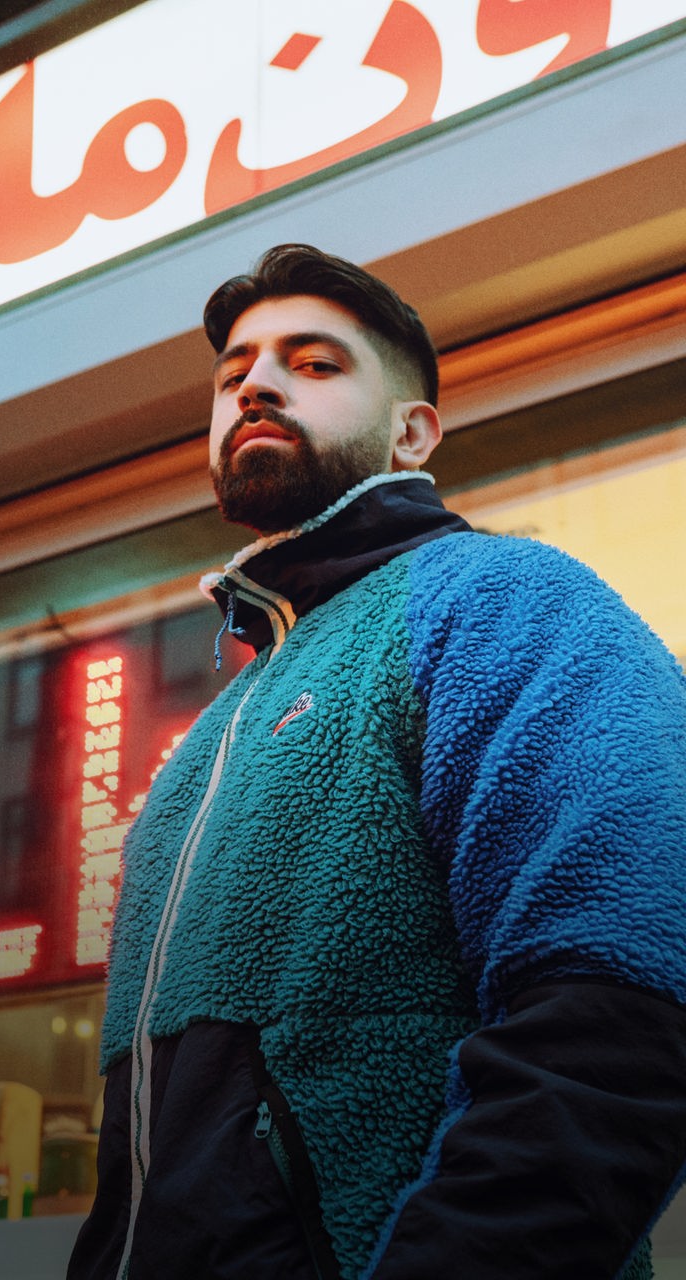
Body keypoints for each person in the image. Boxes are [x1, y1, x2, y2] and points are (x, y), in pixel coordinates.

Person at [68, 245, 686, 1279]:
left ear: (412, 432)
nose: (254, 383)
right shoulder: (195, 755)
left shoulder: (499, 601)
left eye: (312, 363)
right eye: (232, 375)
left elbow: (621, 1010)